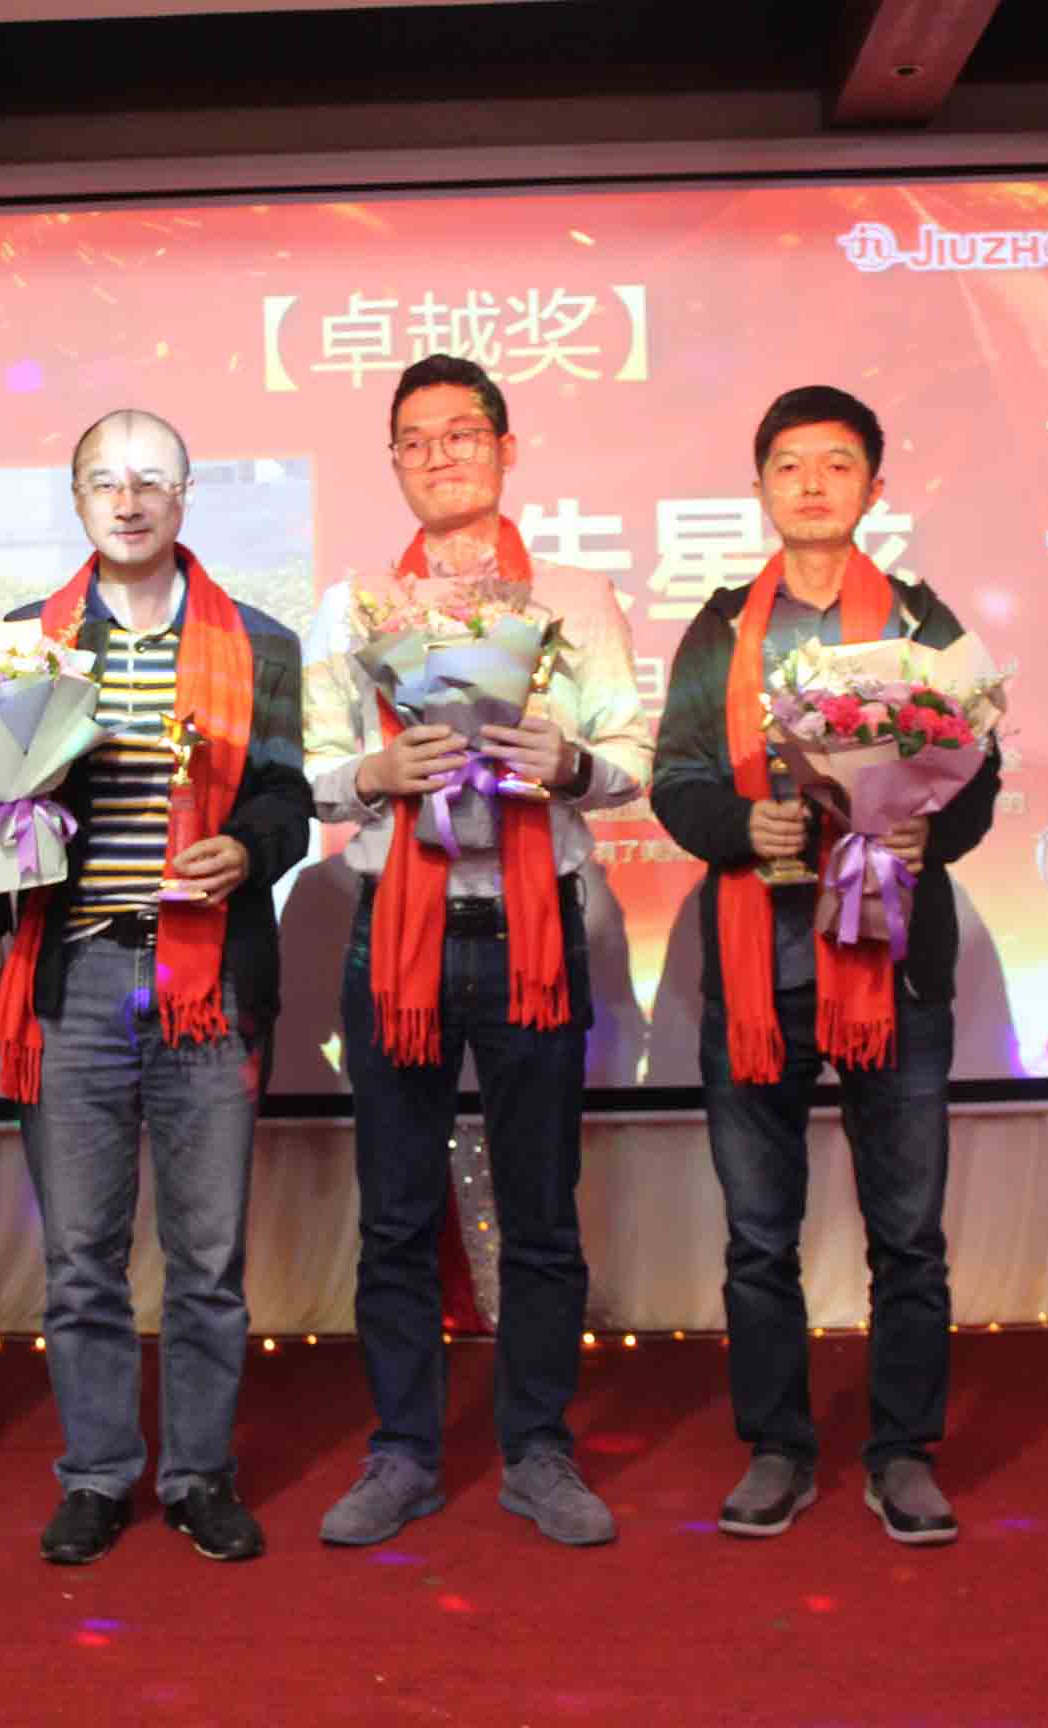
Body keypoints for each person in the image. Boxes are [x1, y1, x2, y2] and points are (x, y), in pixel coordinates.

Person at [303, 354, 652, 1548]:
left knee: (542, 1213)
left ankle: (538, 1450)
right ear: (394, 463)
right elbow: (311, 768)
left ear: (506, 448)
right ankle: (401, 1451)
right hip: (394, 937)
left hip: (534, 928)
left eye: (463, 435)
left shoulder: (576, 597)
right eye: (416, 440)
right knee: (396, 1215)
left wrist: (573, 764)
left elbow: (633, 756)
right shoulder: (355, 607)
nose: (440, 457)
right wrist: (372, 772)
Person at [652, 385, 1001, 1547]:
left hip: (893, 969)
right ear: (759, 487)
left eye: (837, 464)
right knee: (760, 1238)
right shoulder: (720, 629)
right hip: (758, 971)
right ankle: (779, 1446)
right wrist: (737, 826)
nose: (811, 483)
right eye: (789, 464)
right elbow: (677, 777)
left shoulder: (923, 623)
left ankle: (902, 1451)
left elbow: (981, 771)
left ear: (874, 488)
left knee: (909, 1236)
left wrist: (933, 832)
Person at [0, 409, 310, 1565]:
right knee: (81, 1257)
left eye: (151, 481)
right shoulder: (24, 642)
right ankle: (96, 1475)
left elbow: (286, 792)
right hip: (75, 971)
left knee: (208, 1260)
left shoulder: (260, 643)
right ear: (77, 497)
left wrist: (250, 850)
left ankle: (201, 1475)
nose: (128, 501)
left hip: (206, 979)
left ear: (185, 496)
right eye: (105, 482)